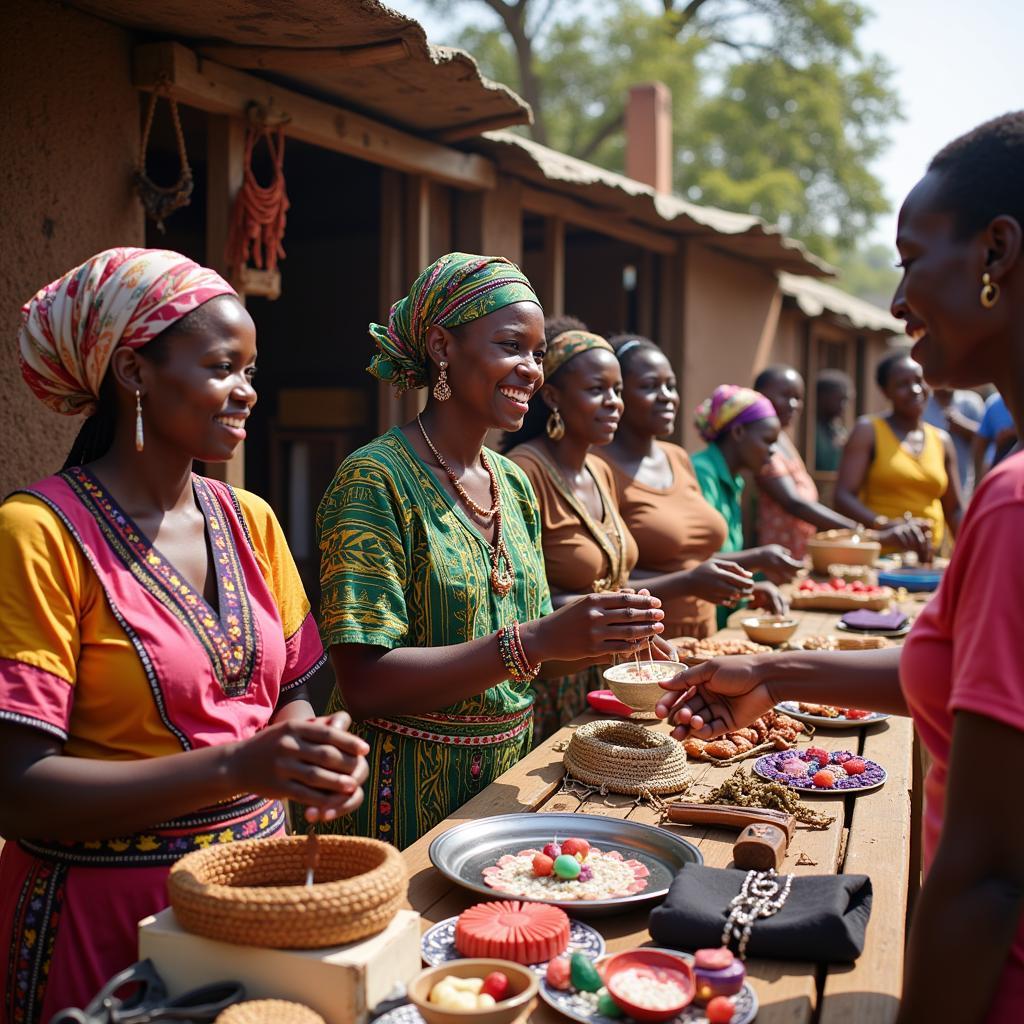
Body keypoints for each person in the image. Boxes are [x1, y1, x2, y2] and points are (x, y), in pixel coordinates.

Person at [658, 111, 1024, 1023]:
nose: (898, 301)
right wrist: (776, 672)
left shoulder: (1014, 504)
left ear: (998, 252)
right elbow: (963, 688)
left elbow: (987, 879)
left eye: (911, 257)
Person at [0, 248, 369, 1019]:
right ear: (134, 373)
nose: (247, 393)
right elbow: (19, 791)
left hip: (258, 900)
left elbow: (291, 694)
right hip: (104, 932)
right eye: (222, 367)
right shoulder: (37, 534)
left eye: (252, 371)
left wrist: (305, 752)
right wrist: (241, 765)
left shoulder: (251, 521)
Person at [315, 254, 666, 850]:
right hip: (400, 807)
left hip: (509, 787)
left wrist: (603, 634)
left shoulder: (513, 483)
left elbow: (532, 659)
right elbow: (365, 683)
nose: (530, 369)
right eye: (511, 346)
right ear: (441, 346)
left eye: (535, 353)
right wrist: (535, 640)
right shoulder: (375, 481)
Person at [504, 328, 723, 740]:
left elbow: (614, 582)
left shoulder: (598, 470)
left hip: (606, 678)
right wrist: (618, 616)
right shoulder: (523, 472)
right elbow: (516, 602)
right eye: (597, 390)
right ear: (552, 397)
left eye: (618, 390)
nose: (614, 404)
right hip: (548, 685)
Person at [593, 336, 756, 640]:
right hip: (645, 643)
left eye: (671, 385)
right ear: (617, 393)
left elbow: (696, 561)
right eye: (650, 386)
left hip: (705, 635)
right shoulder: (598, 468)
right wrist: (687, 582)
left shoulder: (678, 458)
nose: (666, 396)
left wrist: (750, 584)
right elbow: (602, 582)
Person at [754, 365, 931, 560]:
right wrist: (868, 533)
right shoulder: (764, 448)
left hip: (796, 553)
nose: (793, 404)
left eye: (798, 398)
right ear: (760, 396)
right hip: (775, 558)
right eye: (785, 395)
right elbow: (795, 503)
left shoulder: (783, 441)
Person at [690, 385, 798, 627]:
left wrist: (751, 587)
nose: (772, 453)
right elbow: (693, 559)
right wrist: (759, 557)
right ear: (738, 432)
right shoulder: (700, 472)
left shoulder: (735, 478)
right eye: (767, 441)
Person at [834, 351, 963, 551]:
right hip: (881, 554)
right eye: (903, 384)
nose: (915, 389)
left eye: (920, 381)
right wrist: (884, 525)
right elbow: (843, 497)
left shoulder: (941, 440)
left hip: (929, 558)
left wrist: (967, 554)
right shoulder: (868, 431)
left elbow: (954, 510)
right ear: (885, 392)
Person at [924, 385, 984, 497]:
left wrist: (963, 426)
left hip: (966, 484)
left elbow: (987, 439)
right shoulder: (922, 404)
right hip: (931, 486)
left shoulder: (971, 402)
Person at [973, 390, 1017, 482]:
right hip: (1002, 478)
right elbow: (980, 447)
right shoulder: (994, 403)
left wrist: (1013, 433)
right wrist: (978, 482)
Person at [814, 370, 853, 471]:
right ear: (822, 397)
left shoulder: (838, 429)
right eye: (840, 399)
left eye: (846, 400)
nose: (844, 406)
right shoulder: (810, 430)